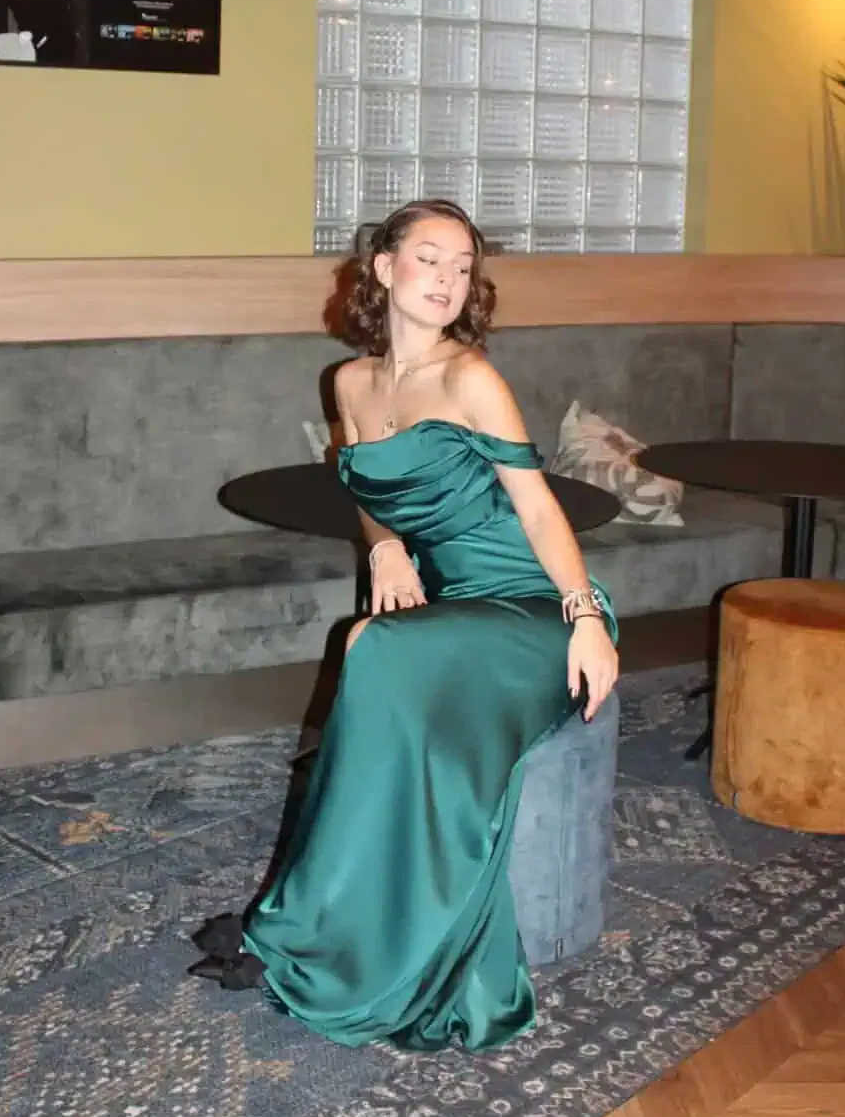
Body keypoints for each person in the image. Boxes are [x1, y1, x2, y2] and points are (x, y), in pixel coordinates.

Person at [192, 199, 619, 1052]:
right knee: (370, 650)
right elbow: (365, 489)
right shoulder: (349, 383)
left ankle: (332, 925)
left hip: (532, 603)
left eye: (463, 267)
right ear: (384, 268)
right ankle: (338, 922)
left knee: (369, 645)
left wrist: (584, 615)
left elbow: (538, 509)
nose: (448, 280)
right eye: (430, 259)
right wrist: (385, 547)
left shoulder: (471, 379)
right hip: (450, 603)